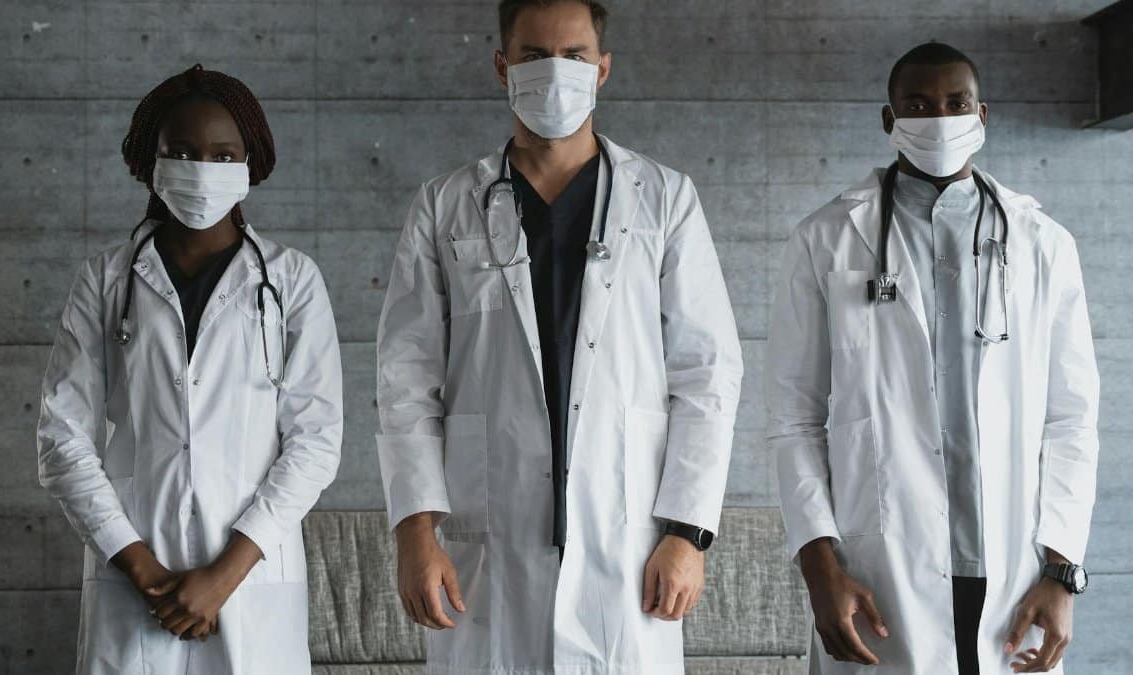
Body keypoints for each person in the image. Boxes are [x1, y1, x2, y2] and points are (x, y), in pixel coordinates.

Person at [374, 1, 743, 673]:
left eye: (574, 56)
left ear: (603, 69)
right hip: (488, 538)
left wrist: (687, 533)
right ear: (502, 67)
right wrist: (415, 534)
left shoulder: (664, 199)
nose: (555, 71)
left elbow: (707, 373)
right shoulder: (444, 206)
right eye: (534, 55)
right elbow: (406, 381)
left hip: (626, 537)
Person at [767, 42, 1100, 675]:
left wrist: (1062, 570)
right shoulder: (827, 239)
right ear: (889, 119)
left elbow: (1071, 421)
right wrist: (819, 566)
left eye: (956, 103)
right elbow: (793, 419)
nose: (939, 119)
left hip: (1013, 568)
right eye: (917, 105)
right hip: (880, 568)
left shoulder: (1043, 244)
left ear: (982, 114)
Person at [36, 64, 343, 674]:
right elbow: (61, 437)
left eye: (222, 155)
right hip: (134, 579)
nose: (202, 169)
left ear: (250, 162)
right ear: (150, 163)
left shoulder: (292, 281)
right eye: (181, 153)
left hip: (250, 581)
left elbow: (315, 443)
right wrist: (143, 570)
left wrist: (223, 576)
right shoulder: (106, 280)